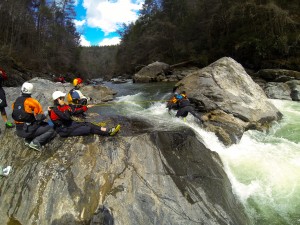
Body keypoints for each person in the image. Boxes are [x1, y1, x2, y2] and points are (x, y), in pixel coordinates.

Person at [49, 91, 120, 137]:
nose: (63, 100)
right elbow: (67, 117)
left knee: (88, 123)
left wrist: (86, 107)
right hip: (64, 130)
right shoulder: (55, 110)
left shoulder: (62, 106)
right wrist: (66, 108)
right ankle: (107, 133)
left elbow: (74, 110)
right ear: (58, 99)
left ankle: (108, 130)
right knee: (87, 129)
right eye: (62, 98)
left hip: (69, 124)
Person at [12, 82, 56, 151]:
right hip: (28, 130)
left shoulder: (16, 102)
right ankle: (36, 142)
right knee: (51, 128)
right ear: (31, 91)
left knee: (34, 123)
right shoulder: (33, 102)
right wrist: (48, 111)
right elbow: (41, 117)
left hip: (18, 130)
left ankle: (28, 140)